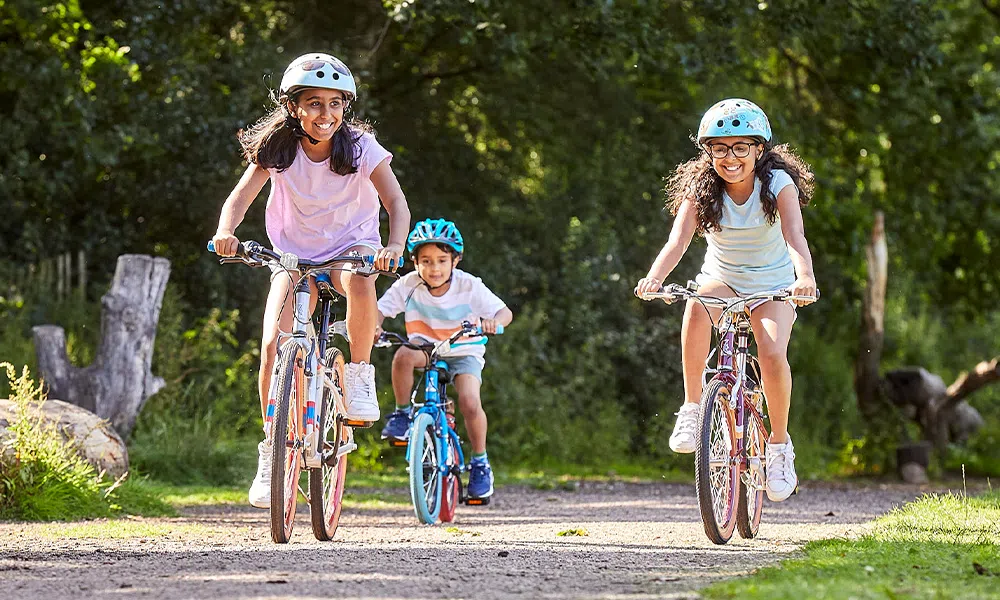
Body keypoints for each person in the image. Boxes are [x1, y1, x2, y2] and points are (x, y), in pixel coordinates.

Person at [211, 52, 410, 508]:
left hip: (351, 246)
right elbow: (239, 198)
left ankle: (359, 373)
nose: (327, 114)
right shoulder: (279, 150)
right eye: (315, 103)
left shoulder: (360, 148)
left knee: (359, 282)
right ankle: (271, 447)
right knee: (271, 347)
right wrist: (226, 232)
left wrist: (394, 246)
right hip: (293, 255)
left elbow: (397, 204)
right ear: (293, 107)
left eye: (336, 104)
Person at [634, 99, 817, 502]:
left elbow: (794, 236)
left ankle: (779, 447)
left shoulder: (777, 185)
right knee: (697, 303)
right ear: (707, 152)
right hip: (723, 279)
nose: (729, 157)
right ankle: (692, 406)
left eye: (739, 147)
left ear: (758, 149)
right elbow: (678, 240)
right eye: (719, 148)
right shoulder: (701, 187)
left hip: (773, 285)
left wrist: (805, 278)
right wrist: (654, 278)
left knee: (771, 353)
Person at [375, 218, 513, 499]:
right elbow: (379, 310)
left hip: (464, 351)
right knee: (402, 355)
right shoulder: (408, 285)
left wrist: (493, 323)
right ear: (414, 262)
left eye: (441, 260)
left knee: (469, 402)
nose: (434, 268)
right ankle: (402, 414)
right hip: (425, 349)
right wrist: (374, 326)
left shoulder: (469, 286)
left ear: (455, 261)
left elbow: (504, 313)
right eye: (425, 261)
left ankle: (479, 463)